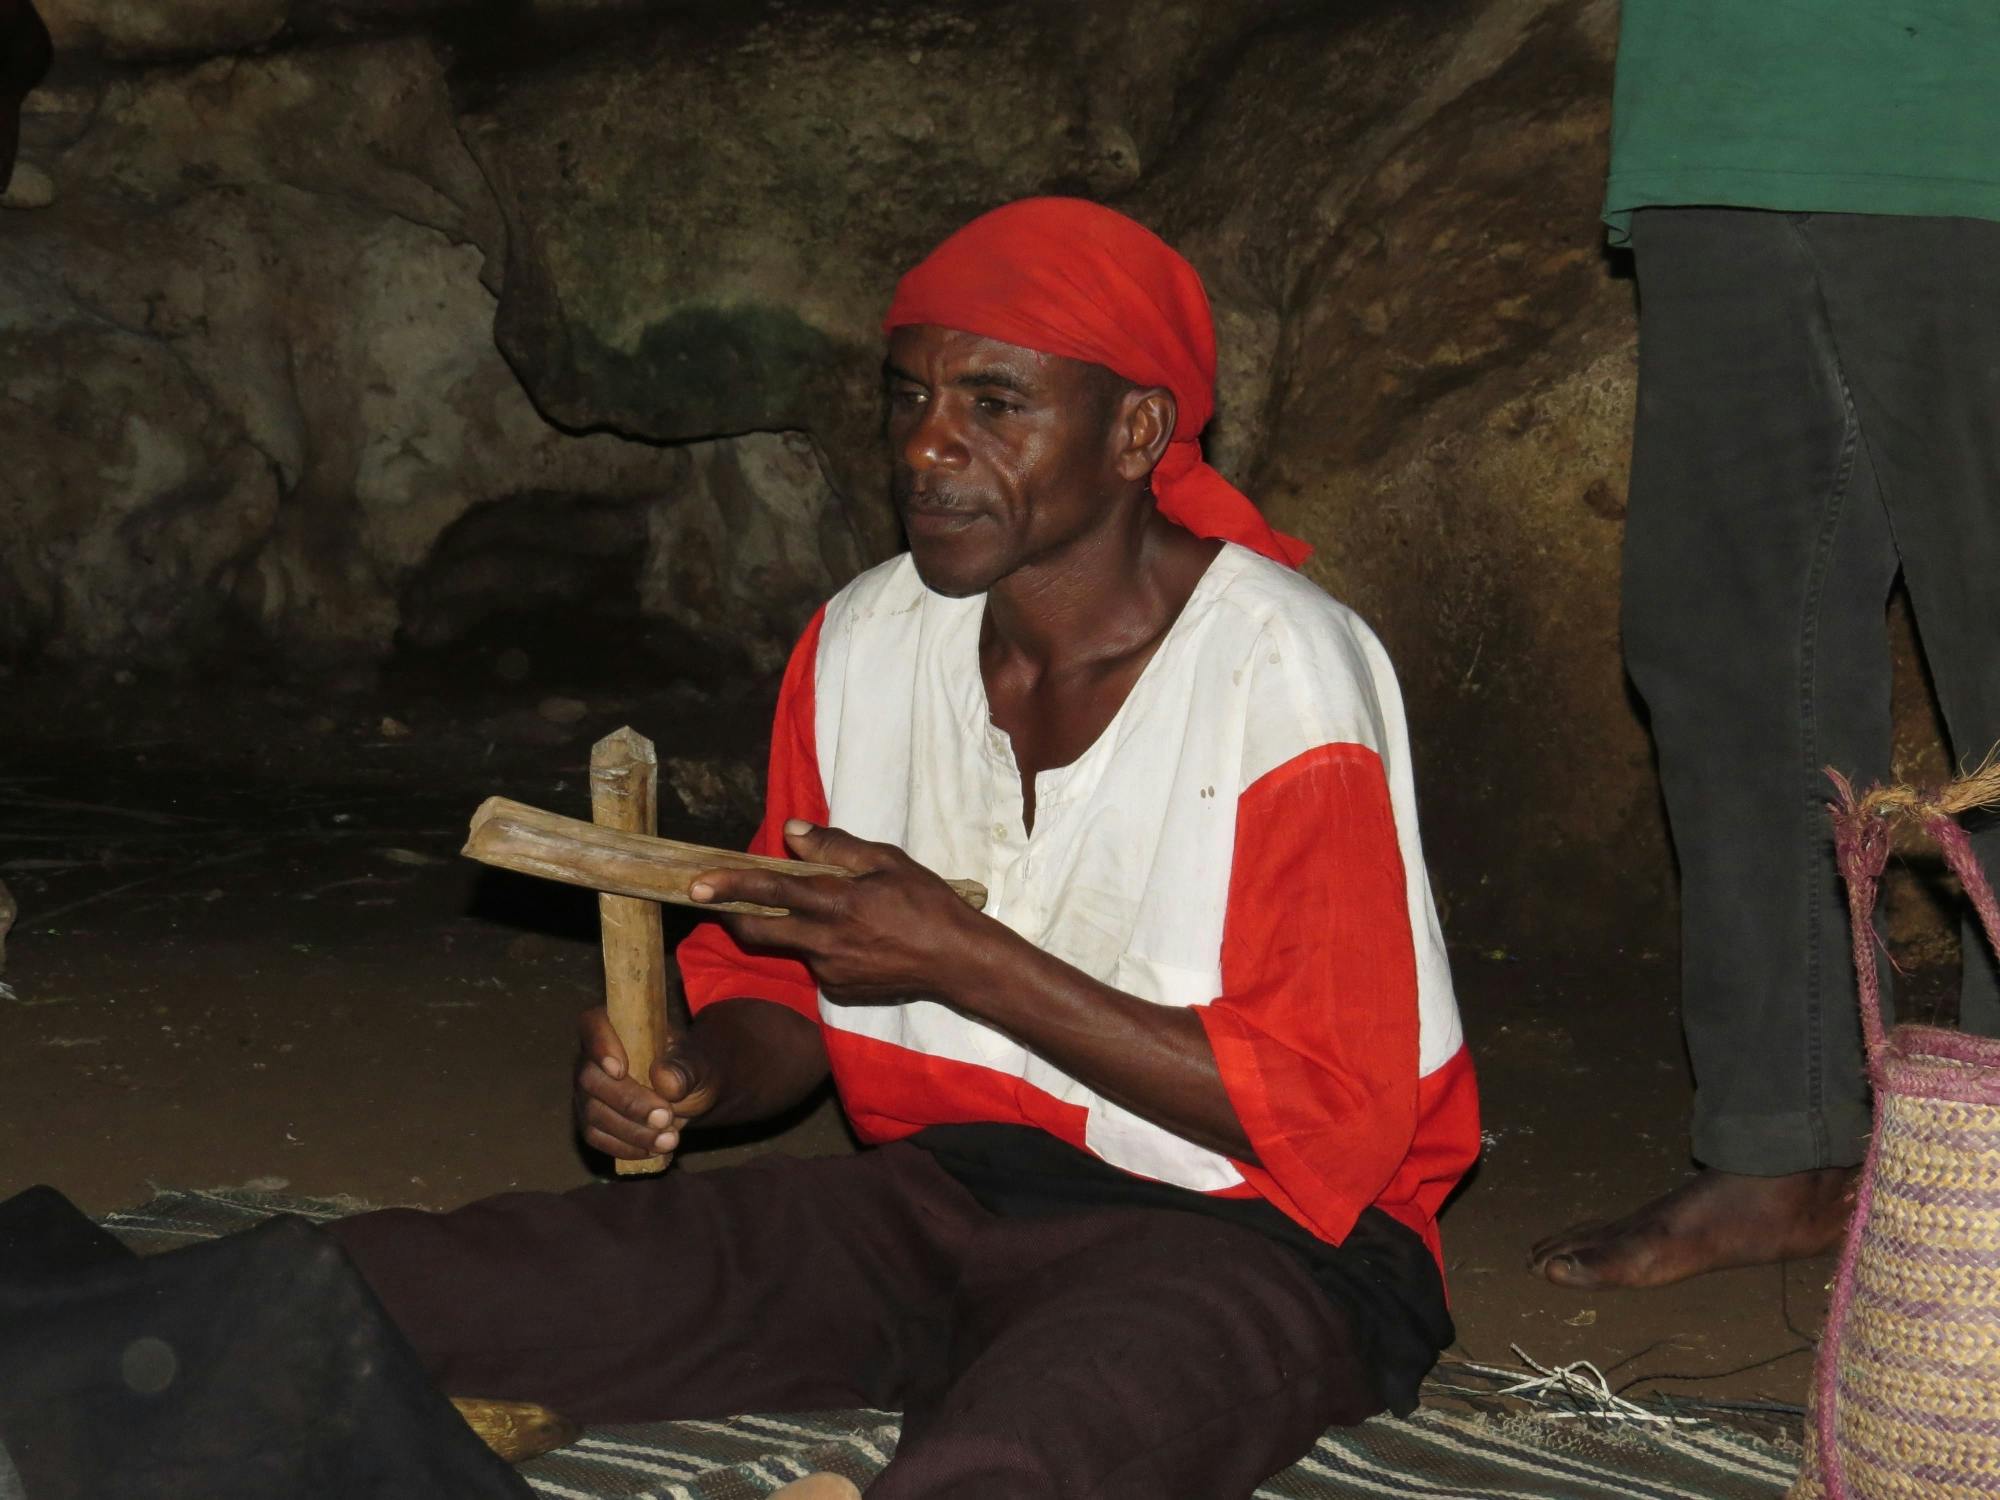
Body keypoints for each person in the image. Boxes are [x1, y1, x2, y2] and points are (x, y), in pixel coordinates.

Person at [329, 197, 1479, 1500]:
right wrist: (698, 1069)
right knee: (408, 1290)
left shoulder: (1281, 671)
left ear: (1136, 433)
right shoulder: (866, 644)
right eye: (910, 397)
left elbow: (1331, 1119)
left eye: (996, 404)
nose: (928, 445)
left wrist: (964, 956)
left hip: (1258, 1244)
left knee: (1030, 1455)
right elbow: (784, 984)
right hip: (937, 1204)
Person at [1530, 3, 2000, 1290]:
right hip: (1721, 113)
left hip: (1969, 108)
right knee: (1727, 651)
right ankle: (1778, 1140)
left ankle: (1984, 1169)